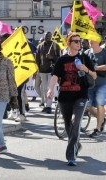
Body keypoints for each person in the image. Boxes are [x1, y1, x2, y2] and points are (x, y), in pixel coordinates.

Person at [47, 32, 96, 166]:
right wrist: (50, 89)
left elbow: (94, 76)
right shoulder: (62, 60)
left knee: (76, 123)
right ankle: (76, 144)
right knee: (68, 125)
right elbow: (55, 76)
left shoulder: (85, 57)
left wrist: (85, 69)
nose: (79, 43)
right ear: (69, 43)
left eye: (80, 41)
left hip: (81, 95)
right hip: (64, 96)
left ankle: (71, 156)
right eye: (75, 41)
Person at [84, 40, 106, 137]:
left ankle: (98, 129)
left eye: (92, 40)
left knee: (100, 104)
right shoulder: (86, 53)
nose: (90, 42)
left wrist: (94, 68)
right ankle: (101, 119)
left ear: (98, 41)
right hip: (90, 83)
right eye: (89, 40)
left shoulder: (104, 52)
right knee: (87, 106)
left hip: (102, 83)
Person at [36, 32, 61, 113]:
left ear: (51, 37)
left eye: (49, 36)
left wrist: (52, 57)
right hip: (42, 70)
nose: (47, 37)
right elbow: (37, 59)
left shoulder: (55, 45)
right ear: (44, 36)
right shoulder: (40, 46)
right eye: (46, 36)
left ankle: (49, 106)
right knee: (44, 88)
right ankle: (46, 104)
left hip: (51, 70)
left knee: (50, 88)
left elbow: (59, 59)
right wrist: (38, 68)